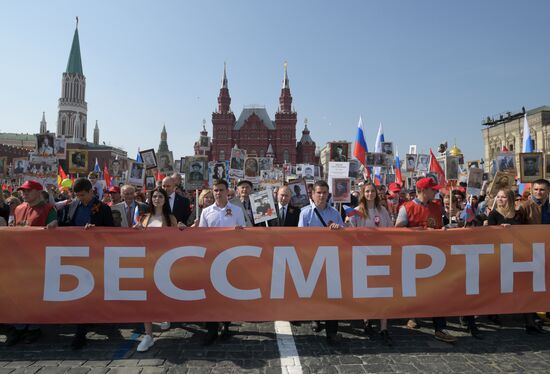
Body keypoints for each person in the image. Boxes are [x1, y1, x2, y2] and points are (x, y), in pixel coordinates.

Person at [395, 177, 457, 343]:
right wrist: (422, 230)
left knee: (438, 292)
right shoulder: (406, 208)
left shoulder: (437, 207)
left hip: (435, 256)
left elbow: (440, 225)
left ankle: (440, 328)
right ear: (423, 191)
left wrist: (443, 229)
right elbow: (398, 230)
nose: (435, 191)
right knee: (414, 289)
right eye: (432, 189)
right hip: (413, 255)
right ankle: (412, 315)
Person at [57, 178, 114, 349]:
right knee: (80, 292)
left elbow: (111, 231)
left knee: (92, 290)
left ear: (91, 191)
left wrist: (96, 230)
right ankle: (81, 330)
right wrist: (55, 224)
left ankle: (89, 322)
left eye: (83, 195)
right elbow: (66, 224)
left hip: (96, 256)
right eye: (77, 195)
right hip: (75, 257)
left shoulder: (103, 208)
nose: (80, 198)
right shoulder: (71, 206)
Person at [5, 180, 57, 346]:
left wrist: (53, 226)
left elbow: (53, 227)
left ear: (38, 192)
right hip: (18, 258)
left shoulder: (49, 208)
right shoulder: (18, 208)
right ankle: (19, 327)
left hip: (38, 259)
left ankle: (33, 328)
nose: (24, 193)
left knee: (34, 294)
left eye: (28, 191)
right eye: (23, 191)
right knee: (18, 294)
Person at [199, 179, 245, 345]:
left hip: (231, 257)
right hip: (211, 258)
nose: (218, 193)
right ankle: (211, 330)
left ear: (227, 191)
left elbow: (244, 232)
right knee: (211, 295)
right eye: (215, 190)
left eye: (221, 190)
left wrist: (240, 232)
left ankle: (226, 325)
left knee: (227, 294)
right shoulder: (206, 212)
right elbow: (201, 236)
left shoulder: (237, 210)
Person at [346, 182, 393, 346]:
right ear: (362, 193)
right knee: (366, 291)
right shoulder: (357, 211)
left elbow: (390, 230)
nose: (370, 194)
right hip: (363, 257)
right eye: (367, 191)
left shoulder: (383, 210)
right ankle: (366, 320)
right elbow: (350, 232)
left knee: (383, 293)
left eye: (372, 191)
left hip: (381, 256)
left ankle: (384, 327)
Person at [298, 180, 344, 344]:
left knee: (332, 294)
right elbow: (300, 238)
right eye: (319, 192)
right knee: (316, 292)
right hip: (312, 258)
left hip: (331, 258)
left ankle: (332, 330)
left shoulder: (335, 213)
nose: (322, 196)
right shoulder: (305, 213)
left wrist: (339, 230)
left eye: (325, 193)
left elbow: (344, 234)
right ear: (312, 194)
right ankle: (315, 318)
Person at [134, 187, 179, 352]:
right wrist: (136, 230)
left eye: (160, 196)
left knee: (163, 293)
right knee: (146, 298)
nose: (157, 199)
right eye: (154, 196)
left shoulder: (170, 218)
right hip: (147, 261)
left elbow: (178, 240)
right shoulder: (145, 218)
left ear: (165, 200)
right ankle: (148, 335)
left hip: (165, 262)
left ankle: (165, 314)